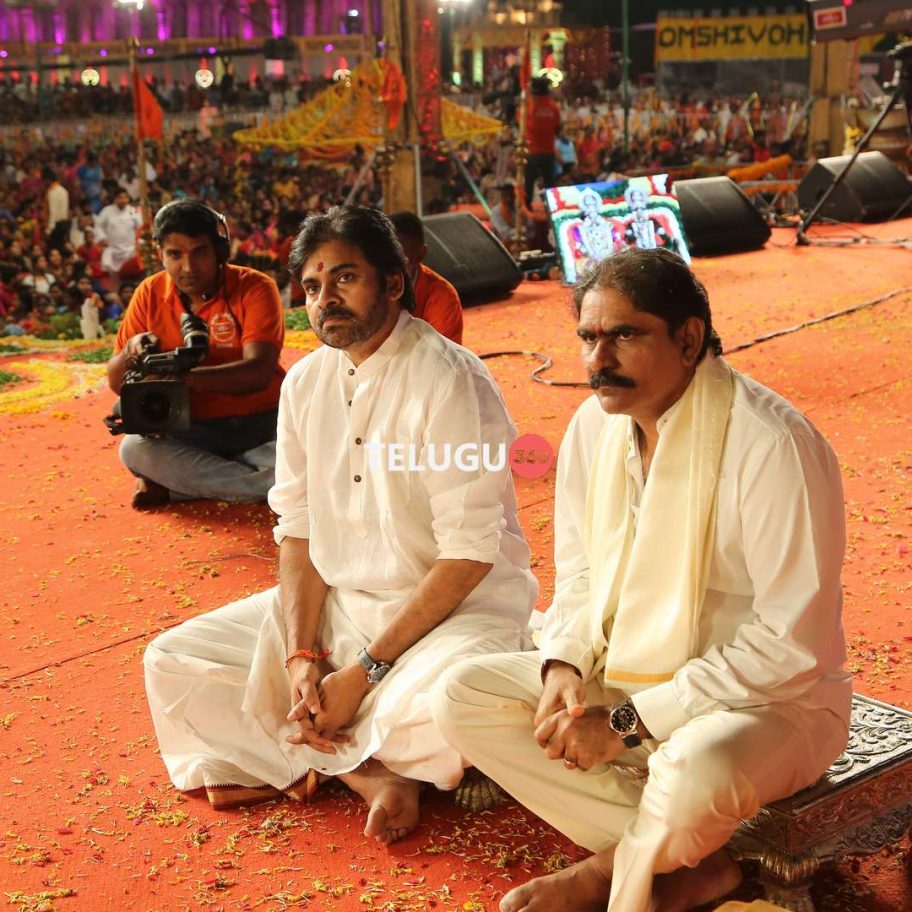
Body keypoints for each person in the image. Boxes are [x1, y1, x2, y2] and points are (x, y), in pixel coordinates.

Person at [432, 247, 851, 912]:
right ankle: (693, 857)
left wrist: (627, 724)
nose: (598, 360)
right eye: (588, 338)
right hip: (624, 672)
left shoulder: (770, 445)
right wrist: (564, 665)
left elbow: (788, 647)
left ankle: (609, 872)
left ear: (688, 339)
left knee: (690, 772)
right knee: (461, 695)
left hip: (770, 705)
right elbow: (581, 575)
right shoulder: (592, 431)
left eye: (624, 335)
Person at [142, 205, 537, 845]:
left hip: (452, 616)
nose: (326, 300)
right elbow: (295, 529)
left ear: (393, 283)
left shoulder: (451, 381)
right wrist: (303, 654)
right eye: (313, 287)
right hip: (340, 608)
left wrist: (362, 675)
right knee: (173, 659)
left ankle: (312, 750)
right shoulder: (304, 383)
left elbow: (468, 556)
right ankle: (370, 773)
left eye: (345, 279)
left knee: (455, 703)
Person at [106, 199, 285, 508]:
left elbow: (257, 373)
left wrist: (182, 377)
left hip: (261, 426)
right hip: (188, 430)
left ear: (219, 251)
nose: (188, 268)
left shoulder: (256, 287)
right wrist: (131, 352)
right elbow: (116, 381)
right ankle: (269, 488)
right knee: (134, 449)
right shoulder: (149, 293)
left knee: (313, 460)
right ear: (160, 254)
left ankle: (181, 490)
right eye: (175, 255)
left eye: (200, 252)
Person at [388, 210, 463, 345]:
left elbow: (443, 358)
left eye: (400, 257)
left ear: (420, 254)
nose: (390, 265)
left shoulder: (443, 297)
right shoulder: (370, 286)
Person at [524, 76, 561, 206]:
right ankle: (551, 209)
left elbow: (523, 126)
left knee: (528, 183)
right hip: (548, 151)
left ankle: (527, 207)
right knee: (550, 185)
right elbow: (557, 129)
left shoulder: (529, 107)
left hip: (533, 151)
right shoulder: (554, 108)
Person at [96, 187, 142, 277]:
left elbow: (140, 227)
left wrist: (138, 242)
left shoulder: (132, 211)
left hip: (130, 249)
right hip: (112, 247)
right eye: (120, 197)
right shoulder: (107, 211)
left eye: (125, 197)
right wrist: (102, 238)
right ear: (115, 199)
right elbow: (98, 226)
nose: (123, 200)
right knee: (111, 273)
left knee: (129, 271)